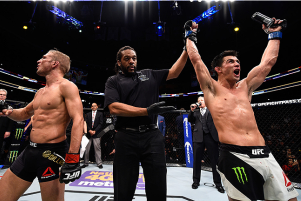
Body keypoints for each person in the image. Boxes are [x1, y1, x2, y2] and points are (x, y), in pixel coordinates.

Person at [185, 17, 298, 200]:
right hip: (234, 154)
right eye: (230, 61)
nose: (237, 64)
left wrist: (274, 34)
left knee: (291, 199)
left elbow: (268, 62)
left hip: (264, 153)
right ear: (218, 69)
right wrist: (190, 36)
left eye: (238, 61)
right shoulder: (212, 89)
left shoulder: (246, 86)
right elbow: (196, 60)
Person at [0, 49, 84, 201]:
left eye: (44, 57)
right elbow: (25, 113)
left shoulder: (67, 86)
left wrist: (73, 157)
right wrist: (7, 110)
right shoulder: (40, 91)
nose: (39, 61)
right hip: (30, 151)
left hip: (52, 153)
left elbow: (78, 119)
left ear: (55, 63)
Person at [104, 46, 188, 201]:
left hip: (152, 136)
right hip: (126, 136)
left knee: (158, 187)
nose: (131, 61)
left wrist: (186, 49)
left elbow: (174, 72)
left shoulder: (149, 74)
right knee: (123, 189)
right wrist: (146, 111)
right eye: (127, 58)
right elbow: (114, 107)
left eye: (134, 58)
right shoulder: (114, 81)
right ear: (119, 62)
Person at [187, 96, 224, 193]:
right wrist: (191, 110)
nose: (199, 102)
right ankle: (196, 181)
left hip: (211, 137)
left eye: (201, 100)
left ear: (206, 101)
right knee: (197, 160)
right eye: (198, 100)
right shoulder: (195, 111)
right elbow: (190, 120)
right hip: (198, 137)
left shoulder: (212, 110)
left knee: (214, 161)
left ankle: (218, 183)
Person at [83, 102, 104, 168]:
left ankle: (99, 163)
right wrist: (89, 130)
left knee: (97, 148)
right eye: (92, 106)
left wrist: (95, 131)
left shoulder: (100, 114)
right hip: (89, 134)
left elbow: (101, 124)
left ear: (97, 106)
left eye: (94, 106)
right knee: (86, 149)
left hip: (96, 133)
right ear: (91, 107)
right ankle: (85, 163)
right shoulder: (88, 114)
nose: (93, 107)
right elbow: (85, 123)